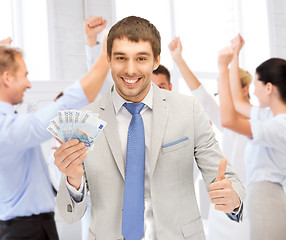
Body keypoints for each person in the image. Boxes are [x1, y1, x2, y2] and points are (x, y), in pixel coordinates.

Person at [54, 16, 245, 240]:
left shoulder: (188, 110)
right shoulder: (85, 120)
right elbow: (69, 215)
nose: (130, 69)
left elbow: (226, 177)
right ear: (108, 59)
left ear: (156, 61)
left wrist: (232, 198)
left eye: (141, 58)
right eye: (121, 58)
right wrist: (73, 179)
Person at [0, 41, 109, 239]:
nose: (29, 84)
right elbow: (65, 106)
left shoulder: (10, 122)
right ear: (7, 78)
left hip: (32, 227)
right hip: (25, 231)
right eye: (25, 75)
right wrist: (105, 56)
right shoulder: (5, 128)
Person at [169, 36, 250, 240]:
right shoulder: (226, 121)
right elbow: (201, 95)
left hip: (246, 205)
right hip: (222, 207)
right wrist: (178, 60)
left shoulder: (258, 121)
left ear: (244, 90)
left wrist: (235, 56)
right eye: (219, 91)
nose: (221, 97)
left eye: (225, 89)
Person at [218, 34, 286, 240]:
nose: (254, 92)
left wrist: (222, 69)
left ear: (269, 87)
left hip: (268, 197)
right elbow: (237, 102)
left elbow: (229, 120)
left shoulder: (280, 126)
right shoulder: (267, 116)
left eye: (256, 85)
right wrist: (236, 54)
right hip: (259, 195)